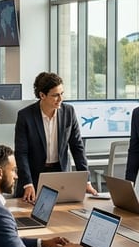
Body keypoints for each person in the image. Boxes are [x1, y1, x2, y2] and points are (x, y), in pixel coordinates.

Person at [14, 71, 95, 203]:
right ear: (42, 95)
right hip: (34, 176)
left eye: (62, 94)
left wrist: (86, 180)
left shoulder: (69, 112)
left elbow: (77, 147)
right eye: (55, 95)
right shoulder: (25, 116)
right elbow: (21, 153)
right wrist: (27, 183)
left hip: (60, 174)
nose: (61, 99)